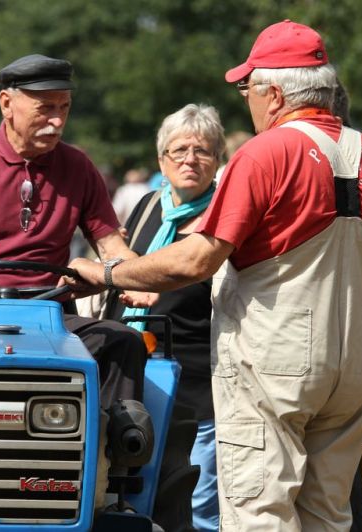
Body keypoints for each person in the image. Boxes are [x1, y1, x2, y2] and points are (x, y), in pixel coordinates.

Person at [67, 20, 362, 530]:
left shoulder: (263, 154)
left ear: (273, 94)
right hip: (353, 369)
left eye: (246, 88)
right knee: (328, 515)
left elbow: (196, 260)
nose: (246, 102)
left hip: (274, 363)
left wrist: (110, 273)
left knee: (261, 513)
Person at [0, 54, 148, 411]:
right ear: (6, 104)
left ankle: (114, 460)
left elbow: (112, 246)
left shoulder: (79, 167)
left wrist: (136, 279)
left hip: (49, 316)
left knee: (125, 341)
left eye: (64, 108)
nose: (57, 121)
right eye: (45, 109)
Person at [104, 103, 224, 531]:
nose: (190, 159)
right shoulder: (147, 203)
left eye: (203, 150)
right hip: (130, 374)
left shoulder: (224, 216)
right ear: (161, 161)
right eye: (179, 150)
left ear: (218, 160)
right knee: (128, 494)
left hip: (196, 384)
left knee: (198, 505)